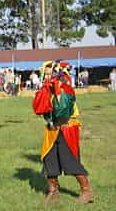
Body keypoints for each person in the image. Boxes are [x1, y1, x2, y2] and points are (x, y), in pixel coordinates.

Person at [34, 61, 93, 204]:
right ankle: (53, 192)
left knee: (70, 161)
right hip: (52, 130)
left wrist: (57, 91)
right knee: (49, 161)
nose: (46, 76)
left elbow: (62, 112)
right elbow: (39, 109)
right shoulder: (46, 89)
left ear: (56, 73)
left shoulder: (66, 89)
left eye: (49, 74)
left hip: (66, 129)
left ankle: (86, 191)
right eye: (45, 74)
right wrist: (46, 91)